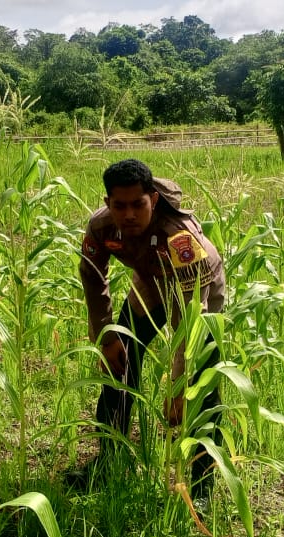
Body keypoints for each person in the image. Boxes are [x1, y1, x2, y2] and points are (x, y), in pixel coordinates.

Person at [71, 158, 226, 501]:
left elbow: (193, 318)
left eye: (138, 205)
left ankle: (201, 486)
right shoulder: (100, 226)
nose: (128, 215)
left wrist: (179, 381)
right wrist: (106, 337)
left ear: (152, 200)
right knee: (118, 367)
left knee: (200, 384)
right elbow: (92, 278)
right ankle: (109, 461)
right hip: (151, 280)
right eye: (119, 205)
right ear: (107, 201)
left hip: (197, 288)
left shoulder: (179, 236)